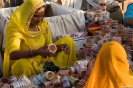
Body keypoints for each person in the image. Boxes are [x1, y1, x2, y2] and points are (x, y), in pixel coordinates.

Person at [3, 0, 77, 78]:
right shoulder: (16, 29)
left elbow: (49, 45)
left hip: (42, 59)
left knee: (68, 40)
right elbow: (13, 54)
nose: (40, 19)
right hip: (28, 62)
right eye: (36, 16)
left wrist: (58, 48)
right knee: (24, 64)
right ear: (28, 15)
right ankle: (36, 81)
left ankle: (66, 74)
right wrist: (35, 52)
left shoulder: (42, 25)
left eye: (42, 15)